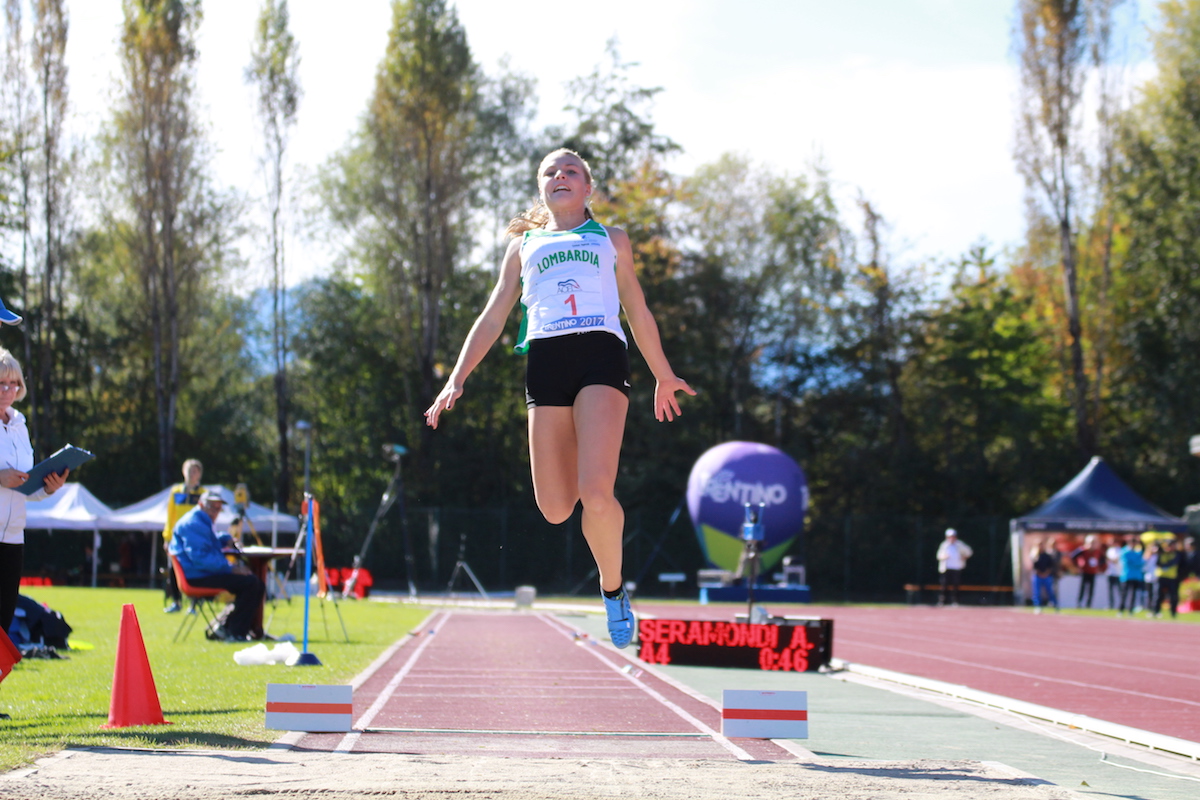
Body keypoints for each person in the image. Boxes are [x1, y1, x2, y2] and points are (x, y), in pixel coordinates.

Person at [424, 148, 695, 649]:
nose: (560, 175)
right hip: (546, 364)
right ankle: (603, 558)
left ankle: (612, 588)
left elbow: (636, 307)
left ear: (587, 188)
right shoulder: (522, 247)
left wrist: (663, 374)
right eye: (551, 171)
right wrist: (457, 378)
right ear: (541, 188)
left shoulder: (611, 239)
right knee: (554, 508)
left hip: (600, 358)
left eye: (571, 170)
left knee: (596, 492)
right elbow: (493, 315)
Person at [0, 348, 68, 719]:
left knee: (3, 621)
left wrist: (48, 487)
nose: (8, 390)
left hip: (13, 536)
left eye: (14, 383)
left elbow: (26, 485)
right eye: (1, 383)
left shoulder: (20, 425)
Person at [168, 489, 264, 641]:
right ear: (201, 504)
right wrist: (230, 568)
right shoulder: (194, 524)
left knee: (253, 583)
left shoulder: (200, 520)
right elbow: (200, 557)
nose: (215, 512)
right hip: (197, 576)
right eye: (212, 507)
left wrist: (225, 539)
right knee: (251, 584)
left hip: (200, 573)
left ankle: (225, 628)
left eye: (218, 508)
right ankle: (235, 632)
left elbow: (207, 542)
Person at [162, 459, 205, 612]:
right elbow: (170, 516)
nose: (191, 474)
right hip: (177, 538)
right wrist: (167, 537)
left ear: (199, 474)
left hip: (195, 538)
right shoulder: (176, 491)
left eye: (195, 471)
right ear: (183, 472)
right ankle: (176, 602)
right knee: (173, 568)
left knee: (194, 568)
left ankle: (194, 603)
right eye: (189, 470)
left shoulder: (203, 493)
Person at [936, 528, 973, 606]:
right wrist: (944, 557)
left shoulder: (959, 544)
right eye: (949, 536)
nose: (951, 538)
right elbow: (938, 556)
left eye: (953, 536)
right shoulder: (944, 545)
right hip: (946, 568)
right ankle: (942, 601)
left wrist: (964, 557)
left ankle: (955, 601)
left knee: (955, 585)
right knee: (944, 585)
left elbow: (969, 551)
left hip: (956, 567)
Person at [1069, 534, 1105, 609]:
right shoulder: (1082, 550)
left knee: (1091, 589)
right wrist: (1077, 566)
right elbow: (1072, 556)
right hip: (1084, 571)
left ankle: (1089, 604)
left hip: (1093, 572)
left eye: (1094, 543)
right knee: (1082, 588)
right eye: (1091, 543)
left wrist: (1100, 567)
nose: (1092, 545)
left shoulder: (1097, 551)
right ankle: (1079, 603)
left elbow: (1102, 560)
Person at [1150, 536, 1183, 619]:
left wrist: (1165, 566)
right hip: (1160, 577)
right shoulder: (1161, 553)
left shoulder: (1177, 554)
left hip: (1172, 577)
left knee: (1173, 596)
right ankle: (1155, 611)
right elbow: (1157, 561)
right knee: (1158, 595)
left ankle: (1173, 613)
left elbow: (1174, 562)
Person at [1117, 536, 1145, 617]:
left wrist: (1137, 563)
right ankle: (1121, 610)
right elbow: (1127, 563)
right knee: (1124, 594)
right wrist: (1137, 564)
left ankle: (1130, 610)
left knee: (1133, 594)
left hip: (1136, 576)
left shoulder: (1137, 552)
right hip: (1127, 575)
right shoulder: (1124, 552)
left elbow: (1141, 562)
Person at [1030, 540, 1059, 613]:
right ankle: (1038, 606)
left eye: (1041, 545)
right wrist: (1039, 573)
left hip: (1046, 576)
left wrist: (1046, 573)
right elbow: (1034, 567)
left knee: (1050, 592)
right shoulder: (1034, 555)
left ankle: (1055, 606)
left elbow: (1050, 566)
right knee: (1037, 593)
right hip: (1037, 576)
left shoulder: (1047, 556)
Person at [1104, 538, 1122, 610]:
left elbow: (1116, 560)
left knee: (1120, 590)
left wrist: (1112, 560)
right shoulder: (1109, 550)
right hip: (1110, 573)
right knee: (1110, 590)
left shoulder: (1120, 550)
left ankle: (1122, 605)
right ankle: (1110, 604)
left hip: (1118, 573)